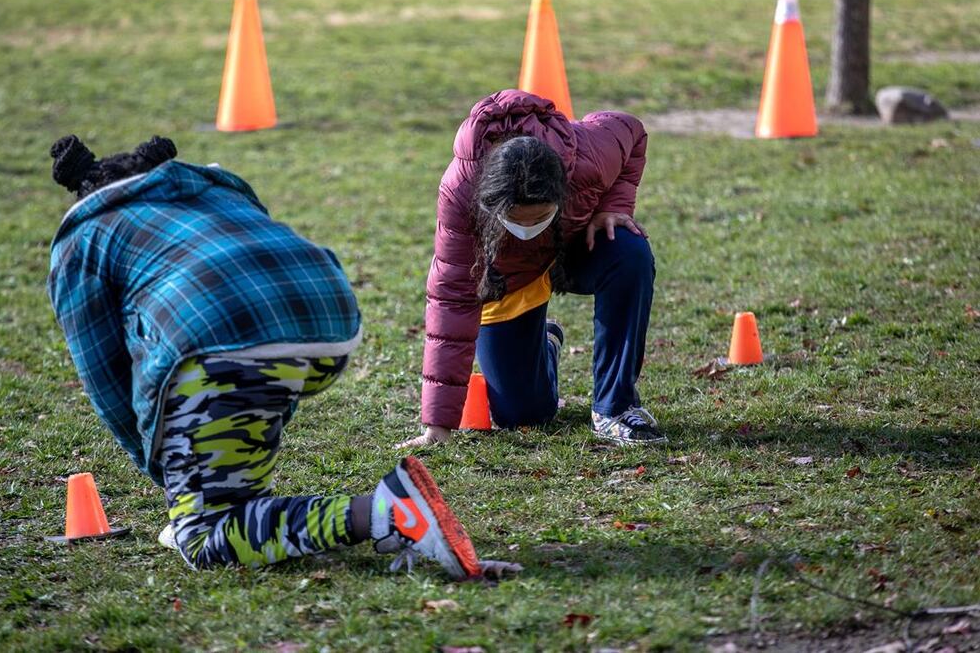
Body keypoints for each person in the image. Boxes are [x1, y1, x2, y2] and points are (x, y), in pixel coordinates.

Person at [46, 134, 494, 578]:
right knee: (236, 432)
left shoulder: (85, 237)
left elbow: (104, 376)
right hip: (328, 317)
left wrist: (167, 467)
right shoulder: (213, 188)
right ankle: (252, 498)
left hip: (224, 339)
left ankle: (388, 513)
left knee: (203, 537)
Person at [403, 90, 663, 448]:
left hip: (572, 246)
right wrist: (438, 424)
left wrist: (614, 206)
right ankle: (545, 344)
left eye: (540, 217)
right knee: (522, 414)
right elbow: (451, 301)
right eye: (516, 220)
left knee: (629, 250)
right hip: (509, 276)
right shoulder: (460, 193)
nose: (529, 228)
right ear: (491, 204)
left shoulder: (589, 155)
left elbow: (631, 131)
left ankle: (615, 408)